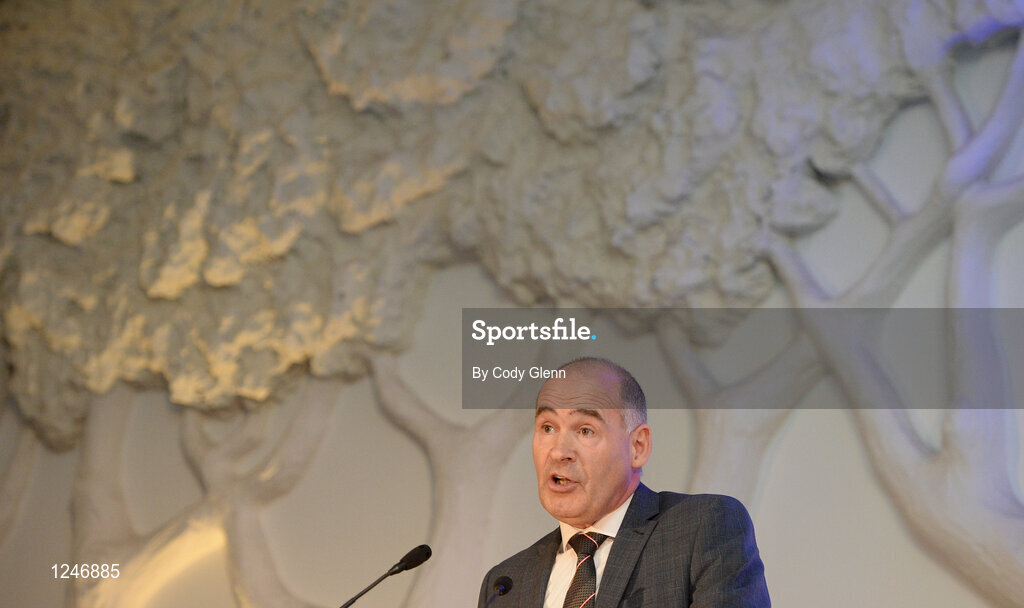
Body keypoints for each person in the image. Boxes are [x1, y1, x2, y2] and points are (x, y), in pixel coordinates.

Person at [478, 357, 770, 607]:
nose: (559, 451)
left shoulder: (701, 528)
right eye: (548, 427)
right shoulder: (507, 582)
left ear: (638, 446)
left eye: (585, 430)